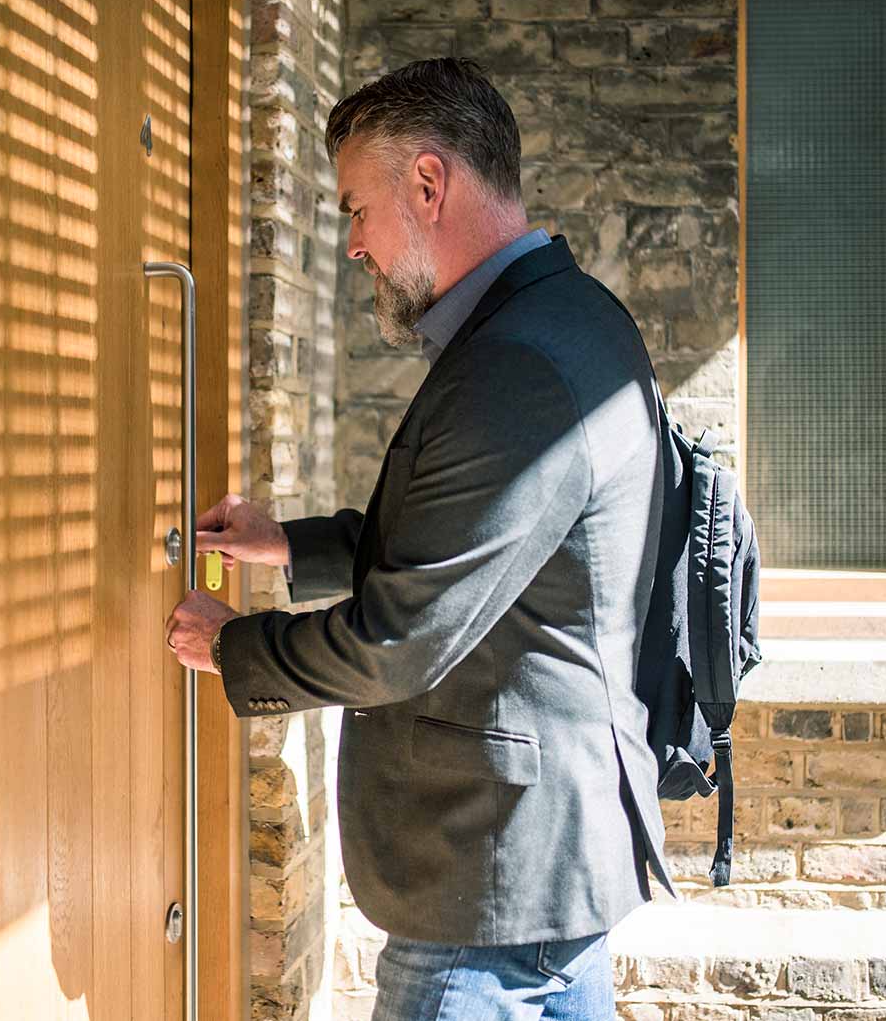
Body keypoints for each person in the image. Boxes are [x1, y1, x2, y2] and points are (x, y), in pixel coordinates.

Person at [165, 57, 673, 1021]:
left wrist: (232, 647)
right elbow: (489, 556)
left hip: (488, 894)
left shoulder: (516, 364)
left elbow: (403, 639)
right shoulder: (573, 319)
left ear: (429, 184)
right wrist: (291, 545)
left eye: (357, 208)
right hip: (539, 877)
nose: (353, 244)